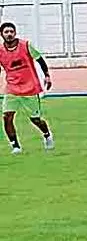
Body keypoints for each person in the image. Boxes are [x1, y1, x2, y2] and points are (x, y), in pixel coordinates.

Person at [0, 22, 54, 154]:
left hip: (30, 88)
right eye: (6, 32)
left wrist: (47, 76)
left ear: (15, 33)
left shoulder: (26, 45)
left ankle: (47, 134)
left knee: (35, 119)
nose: (9, 34)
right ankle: (16, 146)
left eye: (11, 31)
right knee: (7, 116)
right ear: (2, 34)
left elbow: (40, 60)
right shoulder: (0, 51)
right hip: (12, 88)